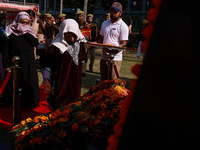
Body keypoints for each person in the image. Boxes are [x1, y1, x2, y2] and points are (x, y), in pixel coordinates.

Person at [43, 19, 86, 109]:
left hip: (75, 83)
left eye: (74, 35)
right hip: (60, 84)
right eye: (68, 35)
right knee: (59, 107)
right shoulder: (56, 47)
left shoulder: (80, 44)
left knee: (74, 106)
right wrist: (46, 79)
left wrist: (82, 71)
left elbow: (83, 59)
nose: (72, 38)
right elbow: (47, 65)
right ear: (63, 32)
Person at [2, 11, 39, 108]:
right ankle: (10, 102)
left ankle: (28, 103)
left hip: (28, 63)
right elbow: (5, 49)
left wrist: (24, 32)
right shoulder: (9, 32)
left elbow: (35, 42)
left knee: (27, 82)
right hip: (14, 63)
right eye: (22, 22)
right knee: (13, 83)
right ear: (18, 21)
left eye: (27, 23)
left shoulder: (29, 32)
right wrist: (6, 64)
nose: (25, 25)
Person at [98, 2, 129, 81]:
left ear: (120, 13)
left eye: (115, 12)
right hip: (104, 57)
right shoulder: (104, 23)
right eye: (112, 11)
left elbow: (123, 45)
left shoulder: (123, 26)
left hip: (116, 59)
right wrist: (94, 43)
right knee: (103, 82)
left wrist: (111, 51)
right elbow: (101, 39)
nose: (113, 14)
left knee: (112, 82)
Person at [76, 11, 89, 77]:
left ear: (83, 16)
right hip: (76, 42)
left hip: (83, 42)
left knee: (83, 56)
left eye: (80, 16)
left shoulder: (85, 24)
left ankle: (83, 71)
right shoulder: (75, 23)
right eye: (78, 16)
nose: (79, 17)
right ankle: (77, 70)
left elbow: (88, 34)